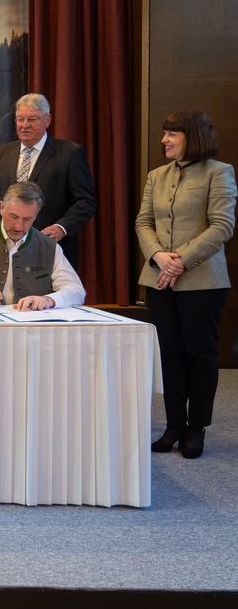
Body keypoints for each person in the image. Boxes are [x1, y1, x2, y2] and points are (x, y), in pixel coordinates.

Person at [136, 111, 236, 459]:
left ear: (192, 136)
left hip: (203, 282)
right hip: (158, 278)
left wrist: (178, 260)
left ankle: (197, 429)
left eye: (171, 134)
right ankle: (174, 426)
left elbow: (221, 226)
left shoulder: (219, 173)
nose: (164, 139)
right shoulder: (156, 176)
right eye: (164, 133)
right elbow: (144, 222)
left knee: (200, 354)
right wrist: (158, 257)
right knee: (170, 355)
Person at [0, 93, 96, 266]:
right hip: (2, 250)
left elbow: (86, 201)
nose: (25, 125)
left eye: (32, 119)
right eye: (20, 119)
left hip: (48, 249)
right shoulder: (2, 153)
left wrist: (61, 228)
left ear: (47, 120)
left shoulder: (70, 153)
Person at [0, 181, 85, 310]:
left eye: (27, 219)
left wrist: (48, 300)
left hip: (31, 327)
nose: (19, 226)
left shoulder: (49, 247)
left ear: (36, 215)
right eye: (13, 217)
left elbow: (76, 291)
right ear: (1, 207)